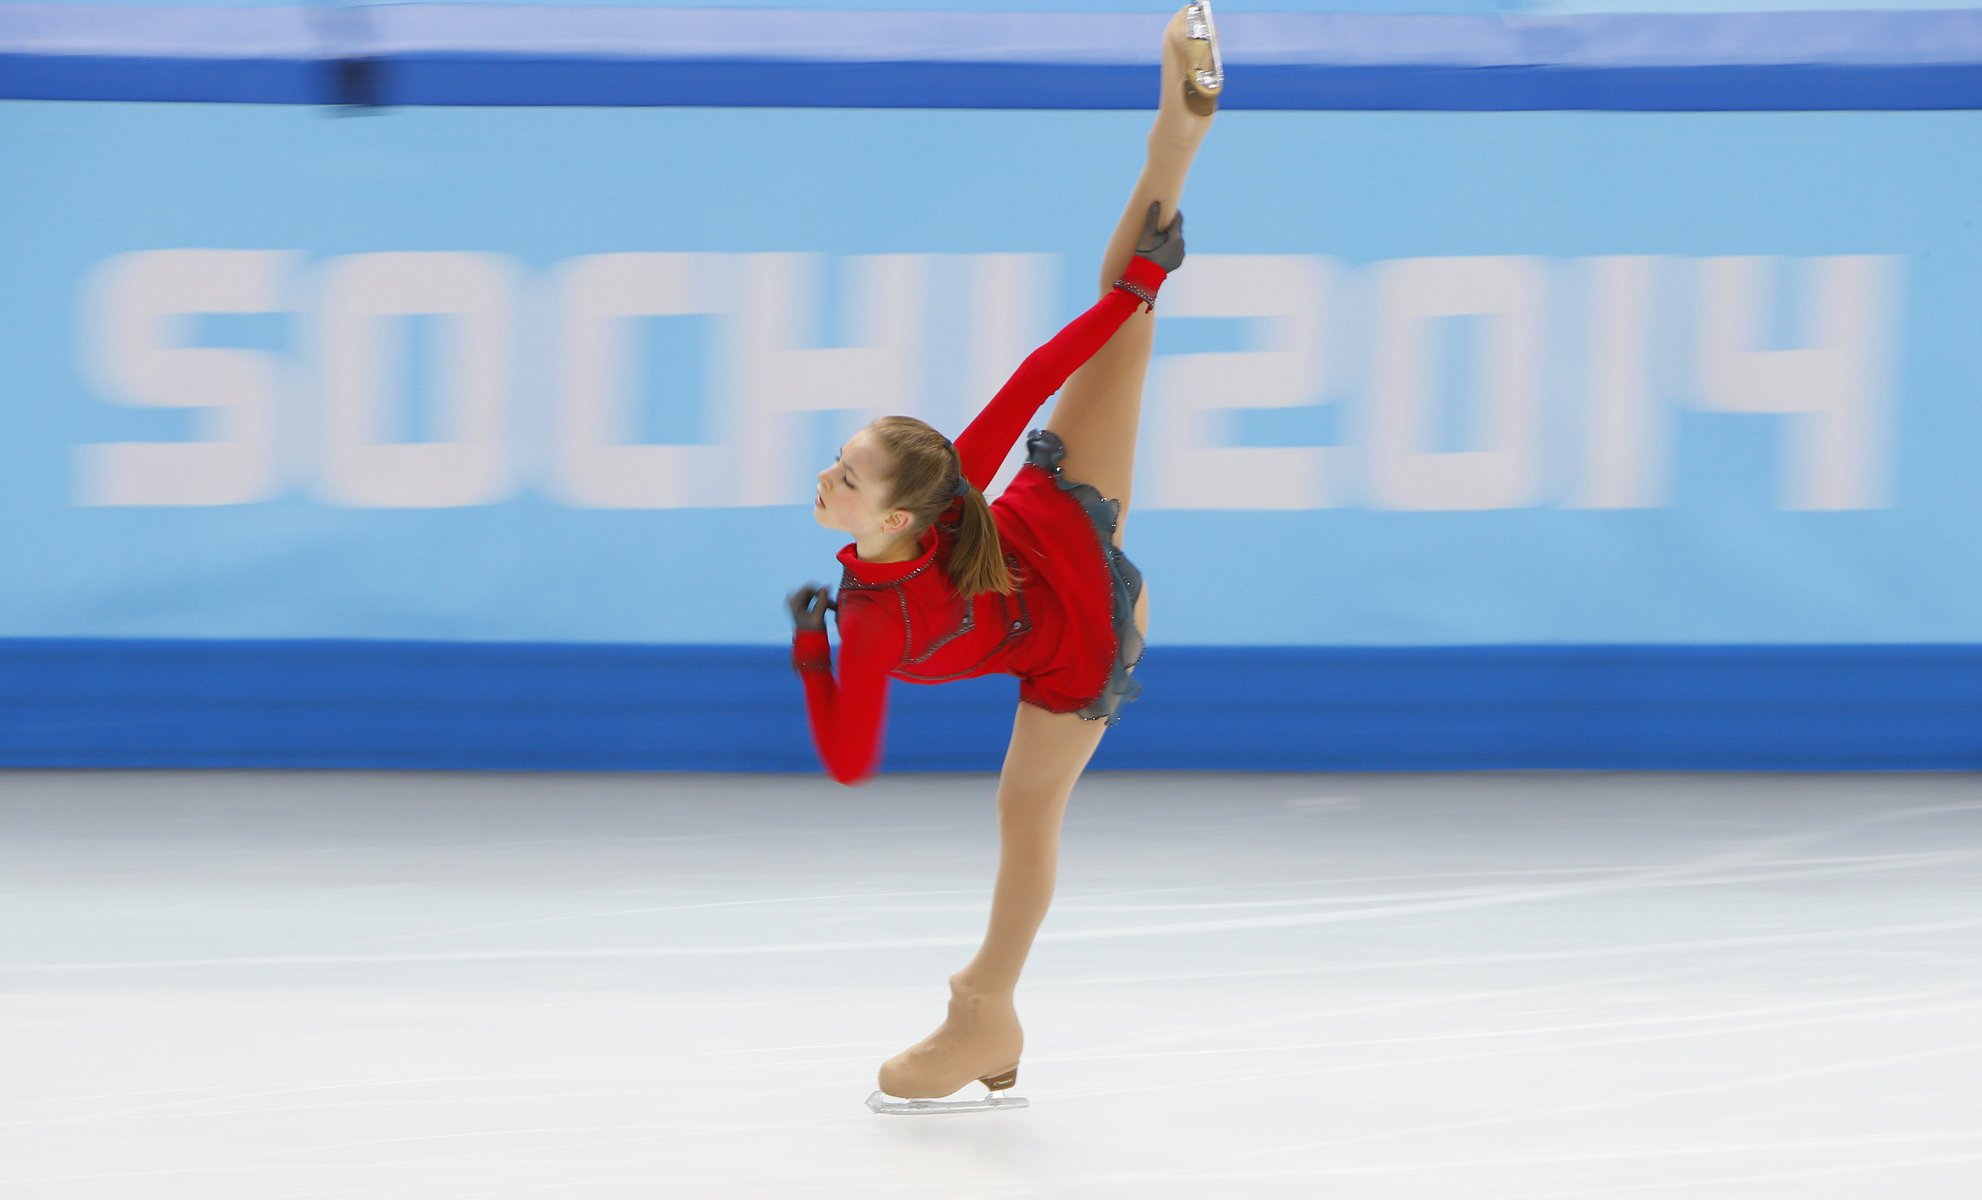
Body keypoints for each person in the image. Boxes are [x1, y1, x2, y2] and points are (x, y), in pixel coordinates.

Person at [786, 2, 1222, 1114]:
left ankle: (987, 1007)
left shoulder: (877, 611)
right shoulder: (943, 496)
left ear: (896, 517)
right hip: (1051, 531)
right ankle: (1170, 154)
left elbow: (847, 752)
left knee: (1026, 818)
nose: (824, 479)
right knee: (1122, 327)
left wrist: (812, 656)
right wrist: (1136, 290)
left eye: (844, 475)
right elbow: (1032, 376)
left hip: (1072, 627)